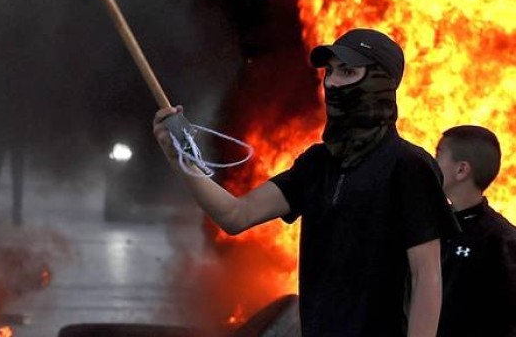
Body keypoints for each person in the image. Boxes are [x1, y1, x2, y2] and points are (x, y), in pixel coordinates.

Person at [153, 28, 457, 337]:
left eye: (348, 72)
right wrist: (180, 158)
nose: (333, 83)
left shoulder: (408, 165)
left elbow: (426, 276)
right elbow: (235, 216)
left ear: (380, 82)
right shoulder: (316, 164)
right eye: (330, 72)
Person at [435, 125, 516, 337]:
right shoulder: (432, 224)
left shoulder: (499, 239)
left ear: (462, 170)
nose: (432, 164)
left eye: (439, 155)